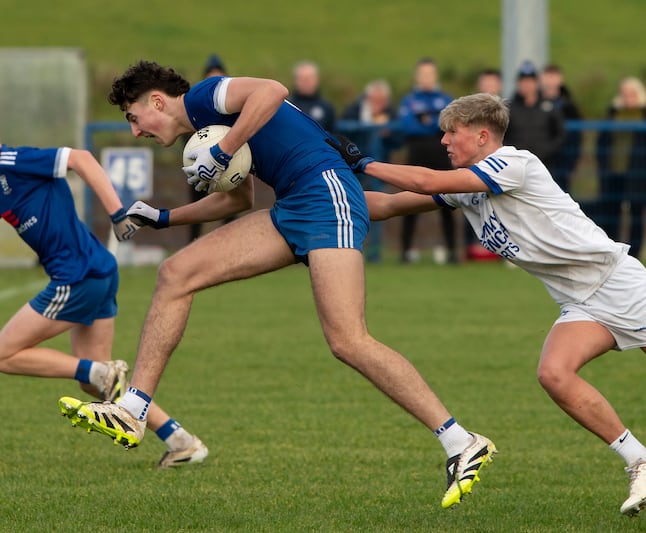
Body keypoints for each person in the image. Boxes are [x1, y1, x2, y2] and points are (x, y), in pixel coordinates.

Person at [58, 60, 496, 509]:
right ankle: (132, 411)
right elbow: (238, 199)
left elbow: (271, 88)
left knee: (348, 340)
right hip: (294, 206)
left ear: (156, 101)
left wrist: (226, 148)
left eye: (133, 118)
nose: (135, 132)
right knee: (175, 273)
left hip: (324, 198)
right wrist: (163, 216)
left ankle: (462, 442)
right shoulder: (206, 130)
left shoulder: (204, 97)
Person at [332, 92, 646, 516]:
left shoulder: (515, 164)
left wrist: (363, 161)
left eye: (451, 132)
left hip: (622, 288)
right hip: (580, 302)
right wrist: (322, 187)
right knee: (554, 374)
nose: (443, 141)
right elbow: (386, 204)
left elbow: (428, 182)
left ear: (482, 135)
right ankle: (642, 460)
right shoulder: (467, 187)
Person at [0, 97, 207, 468]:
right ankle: (180, 440)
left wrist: (117, 213)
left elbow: (82, 159)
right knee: (97, 383)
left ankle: (101, 372)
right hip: (97, 272)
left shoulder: (15, 161)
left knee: (2, 355)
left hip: (78, 276)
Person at [595, 76, 646, 259]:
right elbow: (601, 142)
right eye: (625, 94)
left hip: (637, 174)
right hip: (613, 173)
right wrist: (603, 164)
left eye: (632, 94)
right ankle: (613, 251)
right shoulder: (613, 114)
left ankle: (635, 254)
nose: (628, 98)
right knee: (612, 213)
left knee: (637, 215)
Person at [398, 58, 457, 264]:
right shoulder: (409, 100)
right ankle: (405, 251)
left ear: (435, 76)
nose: (426, 78)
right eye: (422, 74)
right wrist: (433, 123)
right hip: (416, 156)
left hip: (441, 155)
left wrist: (425, 120)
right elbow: (408, 126)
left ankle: (452, 252)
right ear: (417, 76)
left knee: (448, 203)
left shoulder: (447, 99)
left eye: (430, 74)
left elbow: (448, 126)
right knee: (409, 202)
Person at [340, 79, 398, 262]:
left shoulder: (390, 114)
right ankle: (350, 246)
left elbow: (399, 139)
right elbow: (341, 132)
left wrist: (389, 135)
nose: (378, 104)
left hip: (379, 168)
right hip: (353, 169)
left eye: (382, 101)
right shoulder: (354, 110)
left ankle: (375, 251)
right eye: (375, 100)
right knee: (350, 206)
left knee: (379, 208)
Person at [189, 53, 237, 242]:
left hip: (228, 161)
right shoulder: (197, 105)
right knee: (197, 204)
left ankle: (229, 244)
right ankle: (192, 244)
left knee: (232, 203)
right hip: (201, 162)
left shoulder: (232, 105)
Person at [504, 60, 566, 180]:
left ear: (536, 83)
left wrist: (547, 150)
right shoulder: (509, 108)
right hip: (516, 166)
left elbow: (560, 134)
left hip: (545, 164)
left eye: (530, 81)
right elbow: (502, 135)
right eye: (523, 81)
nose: (527, 85)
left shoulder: (549, 106)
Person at [465, 69, 503, 262]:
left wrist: (369, 165)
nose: (446, 141)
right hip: (475, 172)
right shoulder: (468, 113)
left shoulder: (510, 165)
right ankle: (469, 249)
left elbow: (427, 183)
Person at [540, 64, 583, 193]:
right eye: (548, 77)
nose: (550, 81)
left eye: (554, 77)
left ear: (560, 79)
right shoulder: (533, 103)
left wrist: (573, 159)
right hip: (541, 159)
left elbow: (577, 136)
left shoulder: (569, 106)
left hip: (563, 160)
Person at [288, 60, 336, 132]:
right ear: (295, 81)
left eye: (309, 78)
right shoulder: (288, 106)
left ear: (317, 80)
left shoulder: (326, 107)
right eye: (302, 79)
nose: (306, 82)